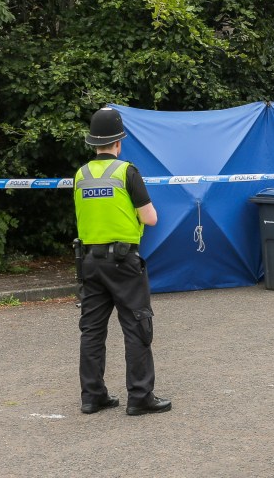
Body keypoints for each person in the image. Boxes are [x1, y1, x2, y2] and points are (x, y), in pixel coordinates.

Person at [74, 107, 171, 416]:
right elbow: (150, 218)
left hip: (89, 261)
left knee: (92, 330)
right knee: (136, 324)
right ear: (119, 143)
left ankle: (92, 396)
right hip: (123, 261)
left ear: (93, 143)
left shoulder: (80, 174)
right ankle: (140, 396)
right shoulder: (127, 171)